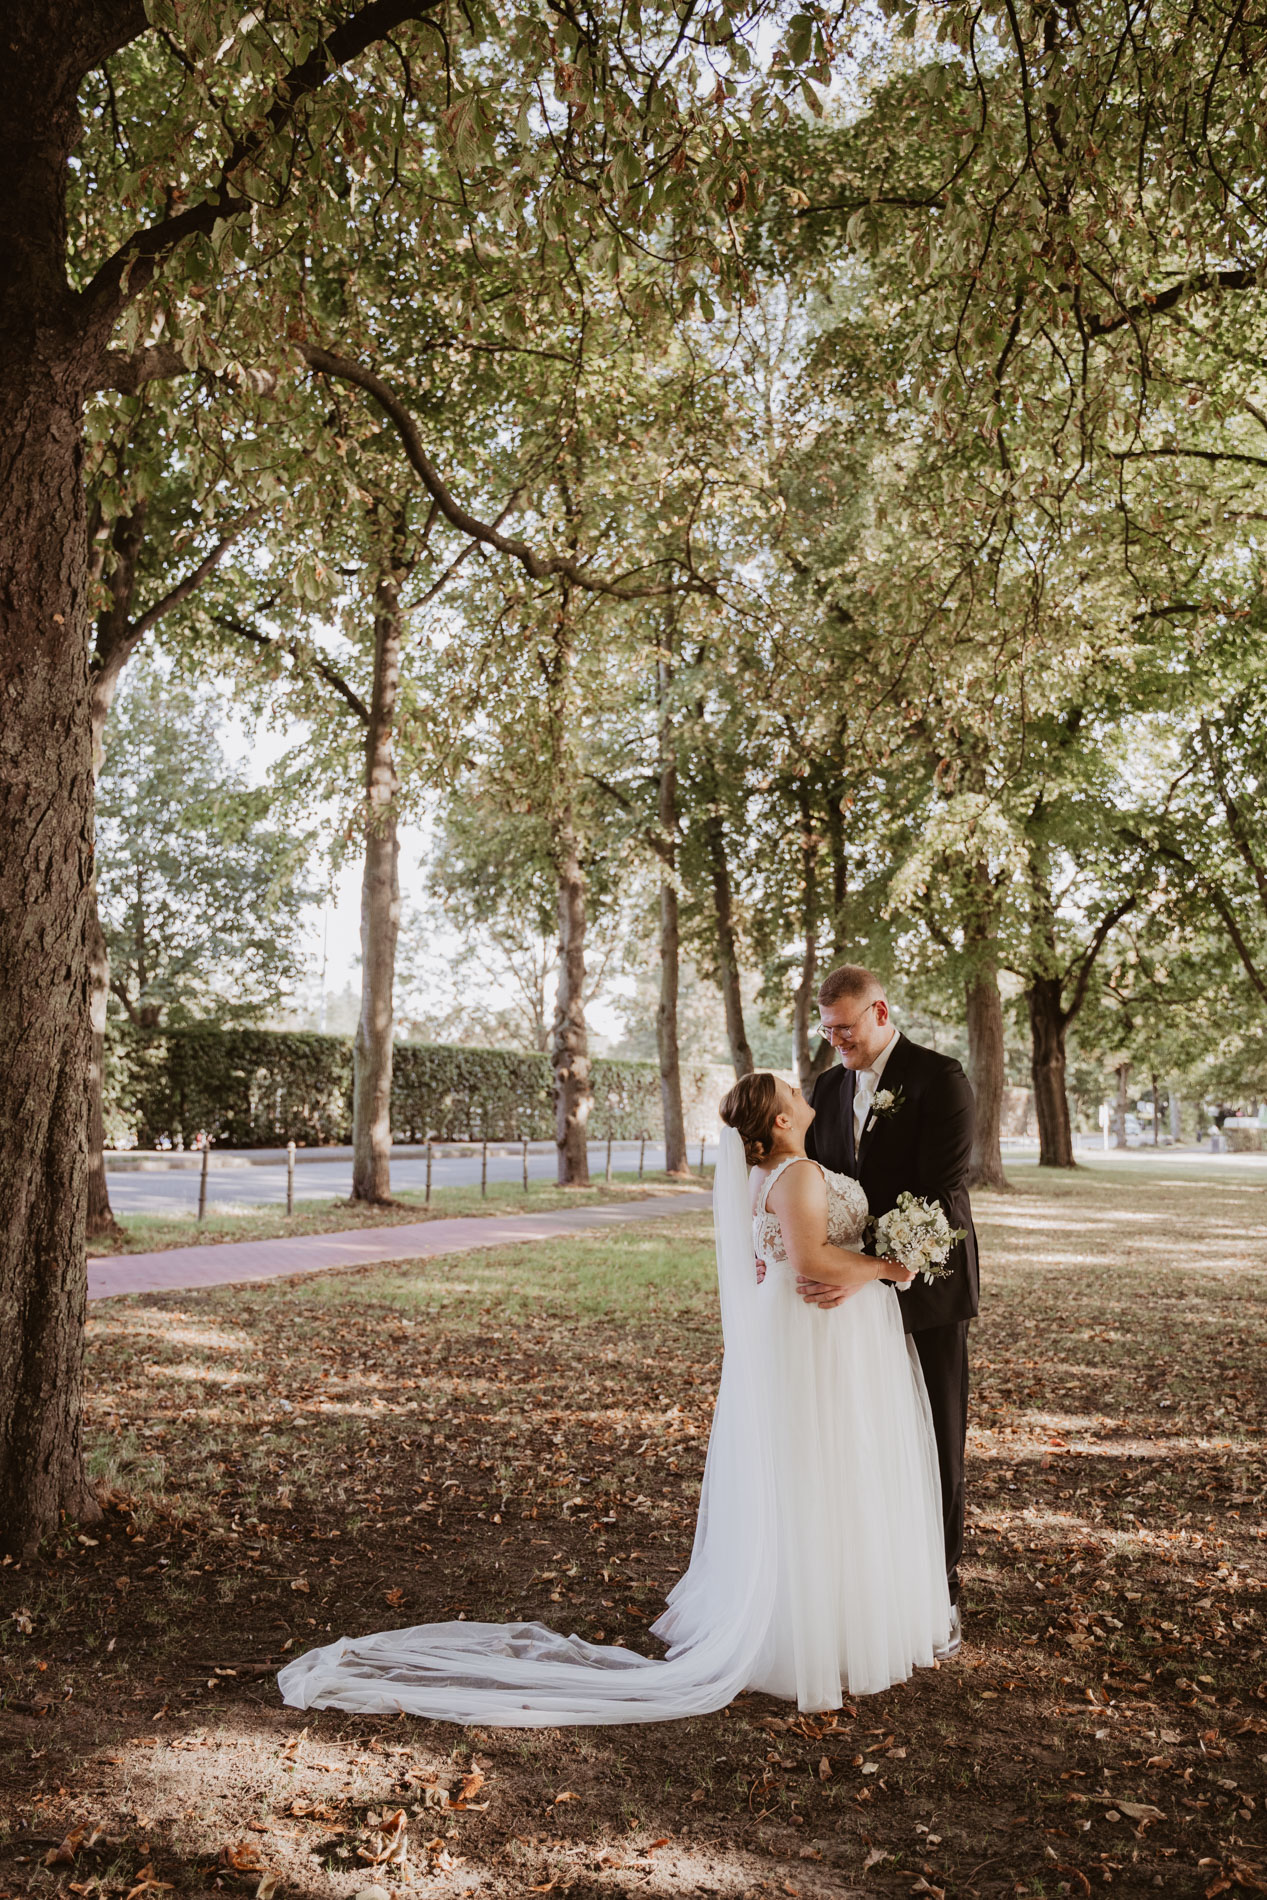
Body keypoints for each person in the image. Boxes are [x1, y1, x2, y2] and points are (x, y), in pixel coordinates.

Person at [276, 1075, 949, 1724]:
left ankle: (818, 1614)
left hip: (808, 1333)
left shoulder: (765, 1176)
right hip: (817, 1336)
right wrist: (891, 1268)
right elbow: (810, 1264)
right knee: (823, 1466)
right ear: (779, 1121)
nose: (806, 1099)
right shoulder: (797, 1174)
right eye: (794, 1096)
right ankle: (816, 1631)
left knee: (810, 1469)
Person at [803, 963, 978, 1656]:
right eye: (827, 1030)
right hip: (850, 1301)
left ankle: (939, 1592)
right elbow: (815, 1181)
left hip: (925, 1289)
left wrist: (877, 1269)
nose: (836, 1040)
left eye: (845, 1028)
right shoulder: (825, 1087)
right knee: (864, 1440)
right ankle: (872, 1586)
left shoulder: (940, 1078)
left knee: (935, 1439)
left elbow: (940, 1190)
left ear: (880, 1013)